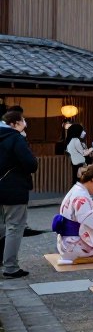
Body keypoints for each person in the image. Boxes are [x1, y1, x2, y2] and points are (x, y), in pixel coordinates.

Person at [0, 110, 38, 279]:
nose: (25, 125)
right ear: (14, 123)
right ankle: (10, 267)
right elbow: (30, 164)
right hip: (13, 188)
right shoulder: (16, 138)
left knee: (1, 227)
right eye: (23, 121)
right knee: (14, 227)